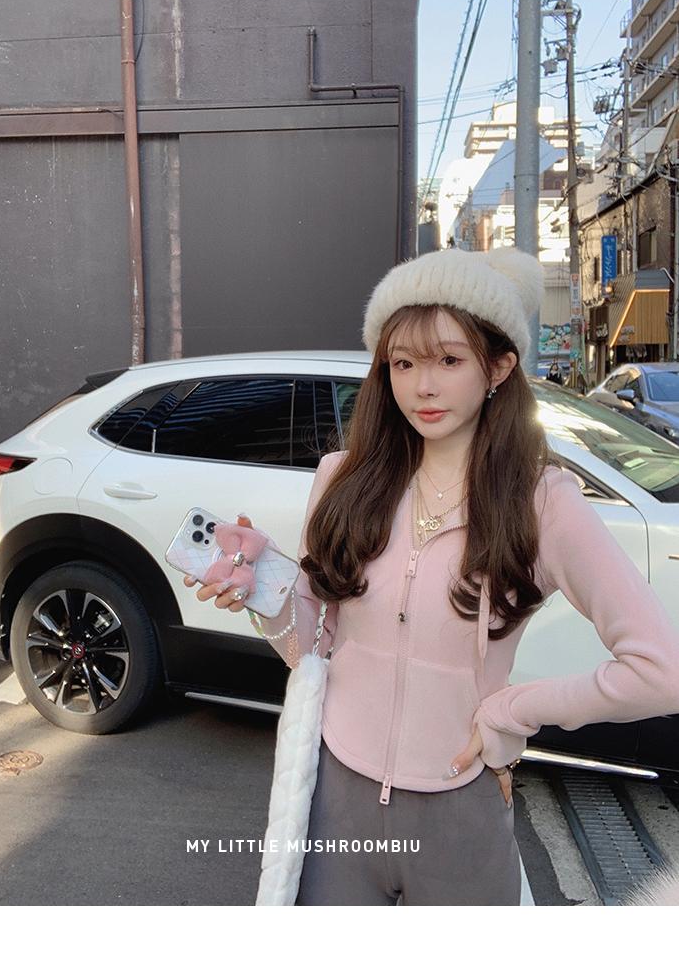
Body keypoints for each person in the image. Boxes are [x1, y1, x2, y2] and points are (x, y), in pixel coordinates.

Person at [181, 246, 679, 906]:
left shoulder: (543, 502)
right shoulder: (343, 480)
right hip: (337, 801)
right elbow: (310, 649)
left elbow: (661, 670)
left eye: (449, 360)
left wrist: (512, 711)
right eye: (404, 363)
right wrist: (262, 595)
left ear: (498, 366)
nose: (423, 386)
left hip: (459, 813)